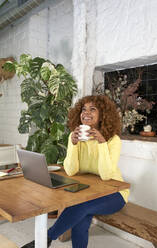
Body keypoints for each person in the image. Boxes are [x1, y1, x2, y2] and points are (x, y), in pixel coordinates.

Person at [21, 95, 130, 248]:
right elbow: (71, 171)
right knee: (82, 216)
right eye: (83, 109)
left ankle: (46, 238)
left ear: (102, 116)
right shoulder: (77, 137)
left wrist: (102, 143)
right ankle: (47, 239)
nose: (86, 113)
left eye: (93, 109)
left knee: (81, 206)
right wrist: (73, 144)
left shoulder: (113, 140)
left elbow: (106, 175)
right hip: (91, 190)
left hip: (115, 193)